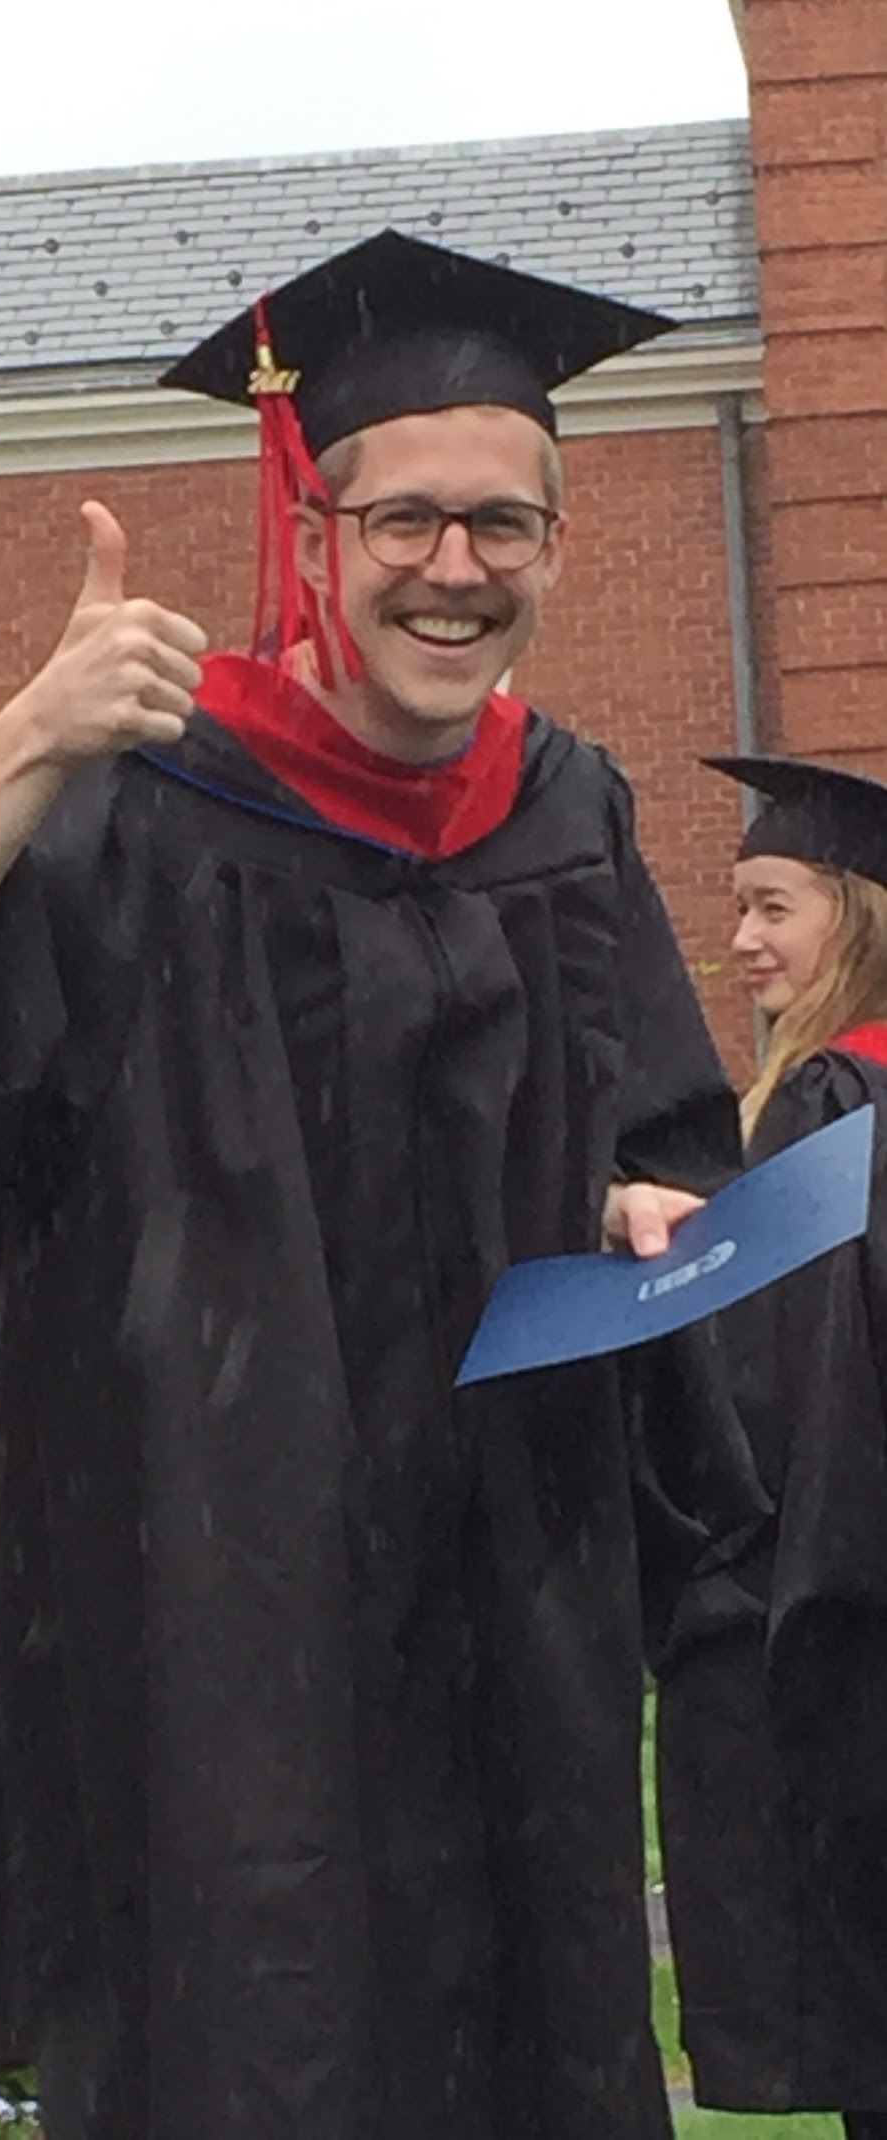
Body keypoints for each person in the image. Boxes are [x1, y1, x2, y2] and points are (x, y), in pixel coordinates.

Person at [0, 231, 750, 2140]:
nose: (460, 569)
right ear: (311, 528)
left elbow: (659, 1113)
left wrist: (643, 1204)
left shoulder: (567, 806)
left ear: (553, 542)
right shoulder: (139, 803)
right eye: (410, 521)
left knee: (534, 2002)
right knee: (249, 2009)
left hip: (506, 1559)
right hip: (207, 1558)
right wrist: (20, 743)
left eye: (506, 527)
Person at [658, 756, 887, 2140]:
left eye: (769, 906)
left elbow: (766, 1396)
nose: (739, 940)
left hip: (834, 1619)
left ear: (852, 917)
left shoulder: (824, 1111)